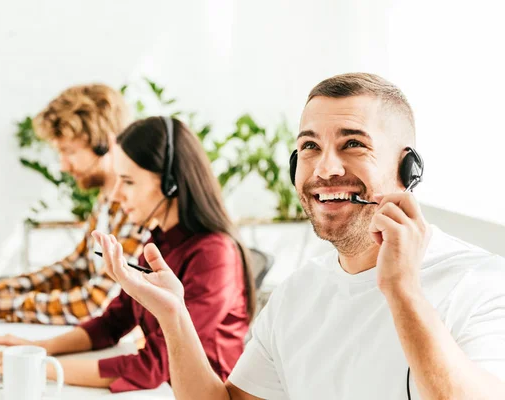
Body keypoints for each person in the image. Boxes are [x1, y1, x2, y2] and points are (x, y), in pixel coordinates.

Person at [89, 73, 505, 399]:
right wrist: (173, 315)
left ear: (407, 169)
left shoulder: (481, 285)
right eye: (308, 147)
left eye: (353, 144)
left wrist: (402, 290)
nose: (324, 169)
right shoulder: (299, 292)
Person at [0, 116, 257, 392]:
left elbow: (154, 366)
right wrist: (36, 349)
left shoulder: (214, 255)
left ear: (171, 183)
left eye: (128, 182)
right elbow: (112, 323)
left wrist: (39, 367)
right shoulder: (159, 242)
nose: (116, 195)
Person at [0, 84, 153, 325]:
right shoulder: (105, 201)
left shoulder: (139, 207)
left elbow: (97, 302)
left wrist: (0, 306)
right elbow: (75, 268)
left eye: (68, 151)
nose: (63, 165)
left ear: (105, 144)